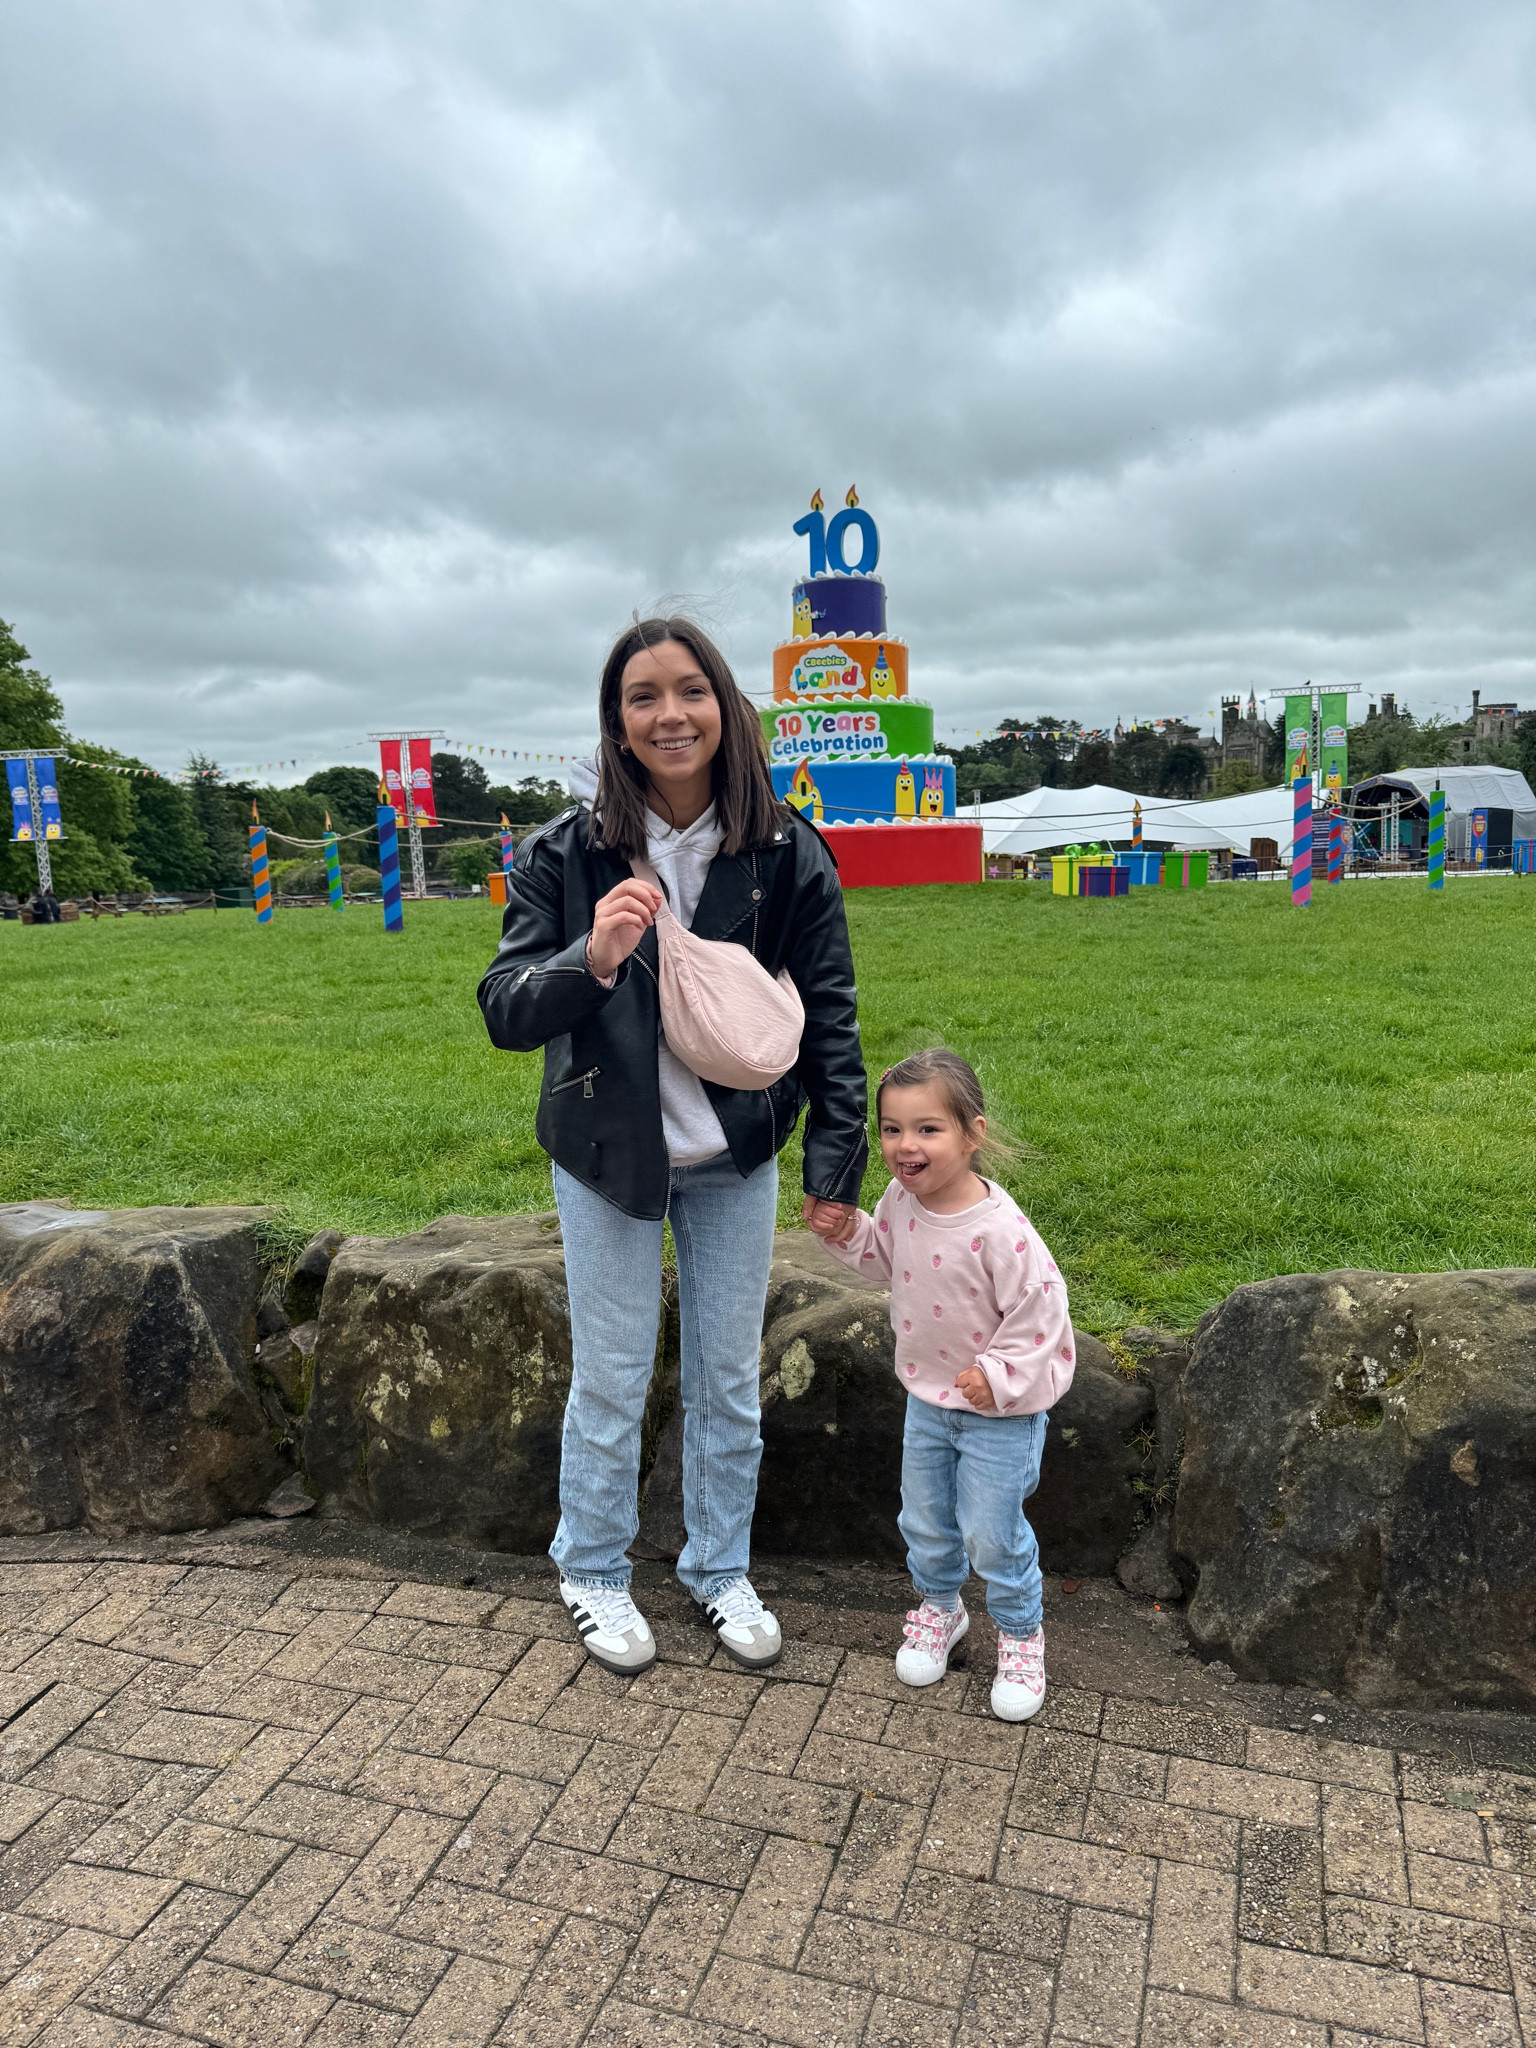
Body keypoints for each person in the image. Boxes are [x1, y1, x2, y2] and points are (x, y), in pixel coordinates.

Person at [479, 616, 867, 1678]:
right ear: (616, 723)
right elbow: (505, 1007)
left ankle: (718, 1566)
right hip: (607, 1151)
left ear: (725, 705)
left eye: (690, 690)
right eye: (642, 696)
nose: (670, 715)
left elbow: (831, 1017)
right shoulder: (566, 851)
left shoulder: (786, 850)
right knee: (611, 1375)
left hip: (736, 1153)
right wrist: (592, 955)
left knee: (728, 1379)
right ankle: (591, 1567)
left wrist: (835, 1166)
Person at [806, 1049, 1075, 1721]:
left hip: (1000, 1415)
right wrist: (848, 1231)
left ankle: (1020, 1635)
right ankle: (941, 1608)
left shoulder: (1001, 1232)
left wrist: (997, 1375)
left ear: (972, 1134)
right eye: (892, 1129)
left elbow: (1043, 1316)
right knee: (924, 1520)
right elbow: (884, 1259)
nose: (906, 1145)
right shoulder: (901, 1201)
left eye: (928, 1129)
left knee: (992, 1533)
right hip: (927, 1401)